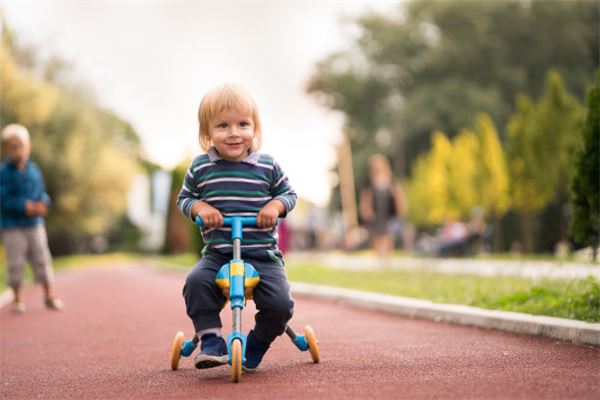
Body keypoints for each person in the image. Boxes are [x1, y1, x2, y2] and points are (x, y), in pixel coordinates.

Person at [176, 83, 297, 372]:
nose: (234, 133)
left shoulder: (267, 166)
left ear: (255, 128)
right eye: (223, 125)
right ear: (207, 133)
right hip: (218, 253)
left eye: (243, 124)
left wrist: (274, 207)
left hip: (262, 255)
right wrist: (200, 208)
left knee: (280, 304)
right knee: (195, 282)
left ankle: (257, 343)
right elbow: (185, 199)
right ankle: (211, 340)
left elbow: (289, 195)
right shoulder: (200, 167)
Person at [0, 124, 64, 313]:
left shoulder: (34, 169)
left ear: (28, 146)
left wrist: (44, 202)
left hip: (35, 224)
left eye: (21, 145)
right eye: (13, 147)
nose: (18, 150)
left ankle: (49, 295)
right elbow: (3, 198)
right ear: (7, 148)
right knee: (15, 262)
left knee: (42, 258)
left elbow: (41, 192)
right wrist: (23, 205)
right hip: (13, 225)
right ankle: (18, 300)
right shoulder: (3, 173)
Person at [359, 154, 406, 259]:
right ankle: (379, 256)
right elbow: (365, 196)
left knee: (388, 233)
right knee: (377, 234)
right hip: (376, 212)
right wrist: (366, 210)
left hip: (389, 211)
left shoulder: (391, 179)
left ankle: (386, 256)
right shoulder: (369, 181)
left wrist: (401, 208)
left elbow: (398, 194)